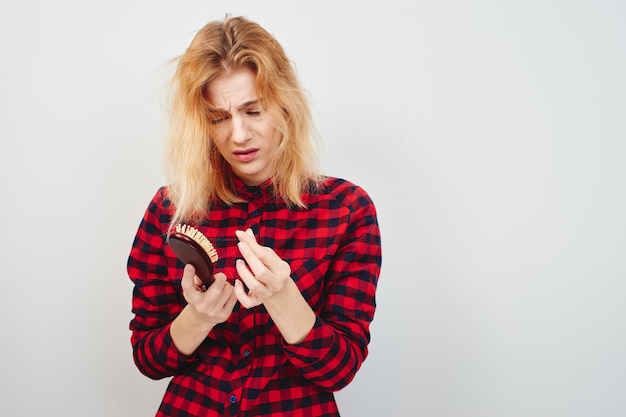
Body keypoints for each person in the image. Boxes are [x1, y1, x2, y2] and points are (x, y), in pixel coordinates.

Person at [127, 16, 382, 417]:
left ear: (284, 106)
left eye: (253, 111)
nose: (239, 135)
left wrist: (283, 297)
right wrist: (199, 317)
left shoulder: (347, 210)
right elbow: (148, 359)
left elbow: (340, 368)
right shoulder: (170, 210)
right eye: (219, 118)